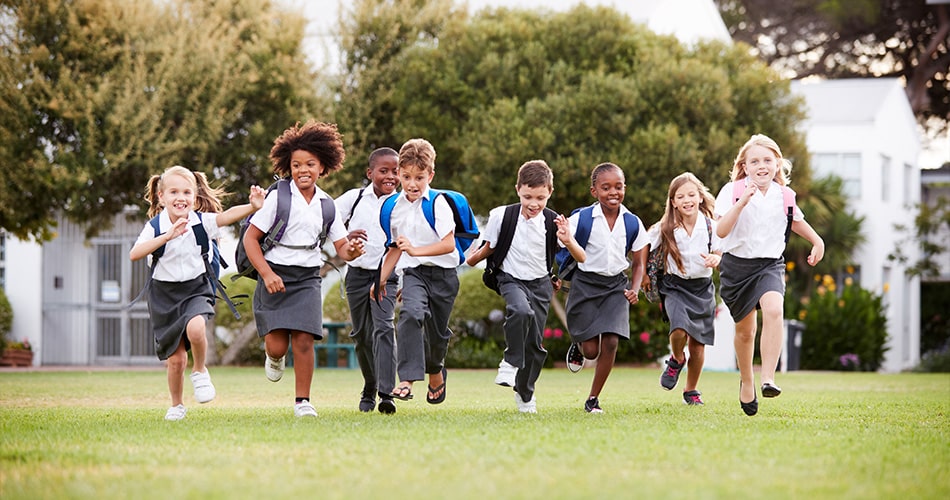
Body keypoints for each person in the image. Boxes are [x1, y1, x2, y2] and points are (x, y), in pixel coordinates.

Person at [244, 120, 366, 418]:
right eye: (296, 164)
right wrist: (268, 274)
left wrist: (352, 250)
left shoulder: (328, 205)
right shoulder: (278, 197)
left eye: (310, 164)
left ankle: (303, 401)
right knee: (276, 345)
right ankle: (273, 358)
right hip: (274, 273)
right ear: (289, 166)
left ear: (323, 167)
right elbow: (250, 238)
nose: (303, 170)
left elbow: (341, 248)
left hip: (308, 277)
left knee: (304, 339)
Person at [130, 166, 265, 421]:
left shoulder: (202, 222)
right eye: (173, 192)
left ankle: (201, 370)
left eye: (186, 192)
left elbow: (226, 217)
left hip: (196, 287)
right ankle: (176, 405)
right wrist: (167, 236)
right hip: (164, 295)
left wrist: (252, 207)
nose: (180, 198)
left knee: (195, 329)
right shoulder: (155, 226)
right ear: (161, 197)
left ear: (194, 197)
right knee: (176, 360)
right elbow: (135, 253)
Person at [715, 134, 824, 416]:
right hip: (737, 267)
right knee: (745, 331)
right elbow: (721, 231)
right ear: (745, 166)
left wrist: (818, 241)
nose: (762, 166)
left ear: (777, 164)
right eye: (755, 161)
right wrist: (742, 203)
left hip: (770, 265)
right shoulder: (732, 190)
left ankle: (768, 378)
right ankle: (747, 380)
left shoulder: (785, 196)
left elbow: (797, 221)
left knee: (774, 310)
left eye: (767, 160)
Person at [466, 160, 585, 413]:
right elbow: (490, 248)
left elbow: (581, 256)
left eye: (540, 197)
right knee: (520, 311)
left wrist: (567, 239)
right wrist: (472, 258)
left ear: (549, 193)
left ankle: (525, 392)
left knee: (535, 346)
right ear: (517, 189)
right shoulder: (501, 216)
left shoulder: (555, 222)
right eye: (527, 196)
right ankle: (509, 362)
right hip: (509, 279)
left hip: (541, 284)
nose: (533, 203)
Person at [563, 162, 650, 413]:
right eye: (606, 187)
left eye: (618, 187)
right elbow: (559, 245)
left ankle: (593, 399)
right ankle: (579, 344)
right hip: (585, 285)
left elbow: (638, 263)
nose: (613, 192)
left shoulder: (632, 222)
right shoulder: (581, 218)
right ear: (594, 191)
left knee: (611, 341)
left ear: (625, 188)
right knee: (591, 352)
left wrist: (635, 288)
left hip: (615, 287)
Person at [375, 138, 456, 405]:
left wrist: (415, 249)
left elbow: (448, 244)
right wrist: (381, 279)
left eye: (419, 177)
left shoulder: (438, 203)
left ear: (430, 175)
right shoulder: (393, 207)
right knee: (410, 314)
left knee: (437, 334)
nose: (412, 184)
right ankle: (407, 380)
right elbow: (395, 249)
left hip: (444, 275)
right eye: (406, 176)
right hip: (414, 274)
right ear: (398, 173)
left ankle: (435, 370)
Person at [645, 172, 721, 406]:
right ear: (673, 202)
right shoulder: (665, 228)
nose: (687, 199)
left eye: (691, 194)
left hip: (702, 288)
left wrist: (715, 259)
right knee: (678, 330)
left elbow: (720, 251)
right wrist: (644, 276)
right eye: (681, 196)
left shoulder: (711, 226)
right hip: (675, 286)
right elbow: (643, 247)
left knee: (698, 346)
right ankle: (677, 359)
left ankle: (691, 390)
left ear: (700, 197)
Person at [335, 147, 400, 414]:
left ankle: (387, 393)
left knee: (384, 329)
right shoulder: (355, 197)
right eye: (383, 171)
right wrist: (346, 235)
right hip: (357, 276)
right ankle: (370, 386)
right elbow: (328, 222)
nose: (390, 177)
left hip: (387, 275)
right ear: (369, 172)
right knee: (362, 336)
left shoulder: (403, 203)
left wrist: (402, 279)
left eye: (395, 171)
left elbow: (405, 244)